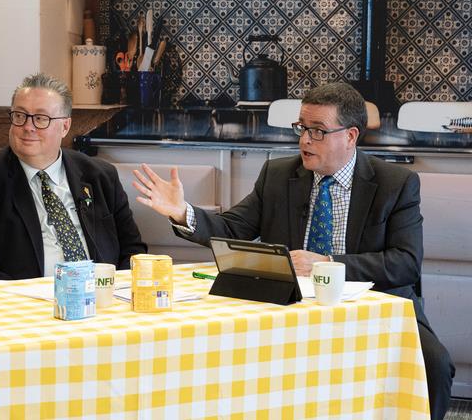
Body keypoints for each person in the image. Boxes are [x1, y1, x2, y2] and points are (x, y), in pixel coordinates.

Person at [133, 82, 454, 420]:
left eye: (318, 131)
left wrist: (328, 264)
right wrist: (183, 212)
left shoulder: (396, 184)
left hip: (377, 305)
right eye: (302, 128)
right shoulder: (277, 175)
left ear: (350, 136)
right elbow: (232, 228)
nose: (304, 140)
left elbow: (405, 264)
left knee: (433, 364)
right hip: (289, 304)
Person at [0, 72, 146, 284]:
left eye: (41, 119)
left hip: (102, 298)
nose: (28, 126)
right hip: (27, 306)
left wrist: (114, 292)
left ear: (65, 126)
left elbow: (133, 251)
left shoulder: (100, 176)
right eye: (20, 115)